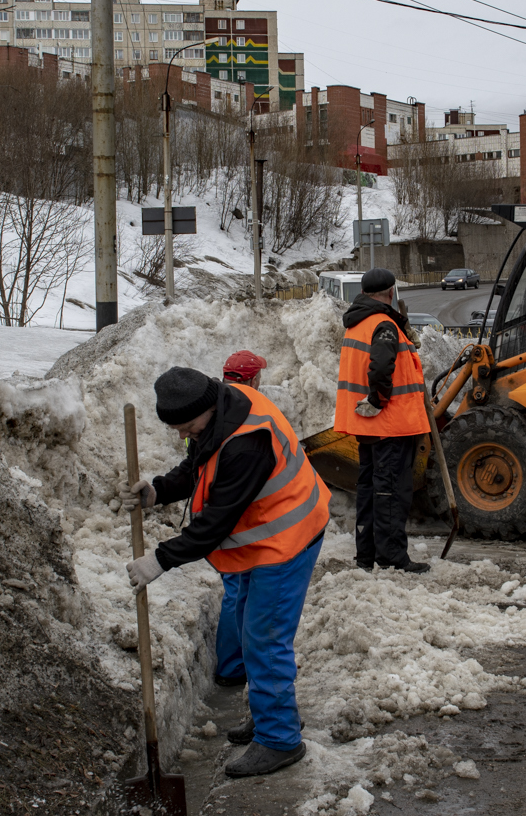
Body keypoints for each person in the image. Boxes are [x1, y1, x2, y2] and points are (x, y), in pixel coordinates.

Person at [127, 367, 329, 776]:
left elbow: (214, 524)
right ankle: (271, 712)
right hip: (265, 539)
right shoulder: (218, 412)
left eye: (188, 427)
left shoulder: (246, 443)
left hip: (287, 538)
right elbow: (198, 466)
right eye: (178, 429)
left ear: (205, 408)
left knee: (264, 639)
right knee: (245, 624)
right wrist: (158, 491)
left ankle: (280, 739)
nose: (185, 436)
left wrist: (160, 560)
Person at [336, 267, 431, 573]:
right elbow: (379, 369)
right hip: (391, 423)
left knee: (369, 489)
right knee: (391, 490)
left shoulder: (359, 322)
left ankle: (366, 555)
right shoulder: (383, 325)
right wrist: (379, 400)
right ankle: (391, 558)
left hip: (368, 425)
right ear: (391, 292)